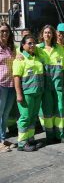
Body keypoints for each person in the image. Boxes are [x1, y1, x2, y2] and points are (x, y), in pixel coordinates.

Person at [36, 25, 64, 144]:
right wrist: (19, 55)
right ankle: (49, 135)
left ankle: (60, 134)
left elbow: (62, 68)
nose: (48, 35)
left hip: (58, 86)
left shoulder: (59, 48)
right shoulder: (38, 48)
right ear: (42, 34)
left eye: (50, 32)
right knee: (47, 110)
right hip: (45, 86)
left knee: (60, 108)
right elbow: (23, 50)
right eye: (45, 32)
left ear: (53, 35)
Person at [13, 35, 44, 152]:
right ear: (23, 45)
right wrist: (19, 94)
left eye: (33, 43)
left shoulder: (36, 57)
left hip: (37, 92)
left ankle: (30, 139)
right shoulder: (20, 59)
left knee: (32, 117)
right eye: (29, 43)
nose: (32, 45)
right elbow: (16, 78)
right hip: (26, 94)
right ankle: (21, 143)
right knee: (25, 117)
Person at [0, 22, 16, 152]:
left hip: (11, 84)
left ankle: (2, 138)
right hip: (1, 84)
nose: (4, 33)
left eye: (6, 31)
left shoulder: (11, 47)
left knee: (5, 114)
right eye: (2, 31)